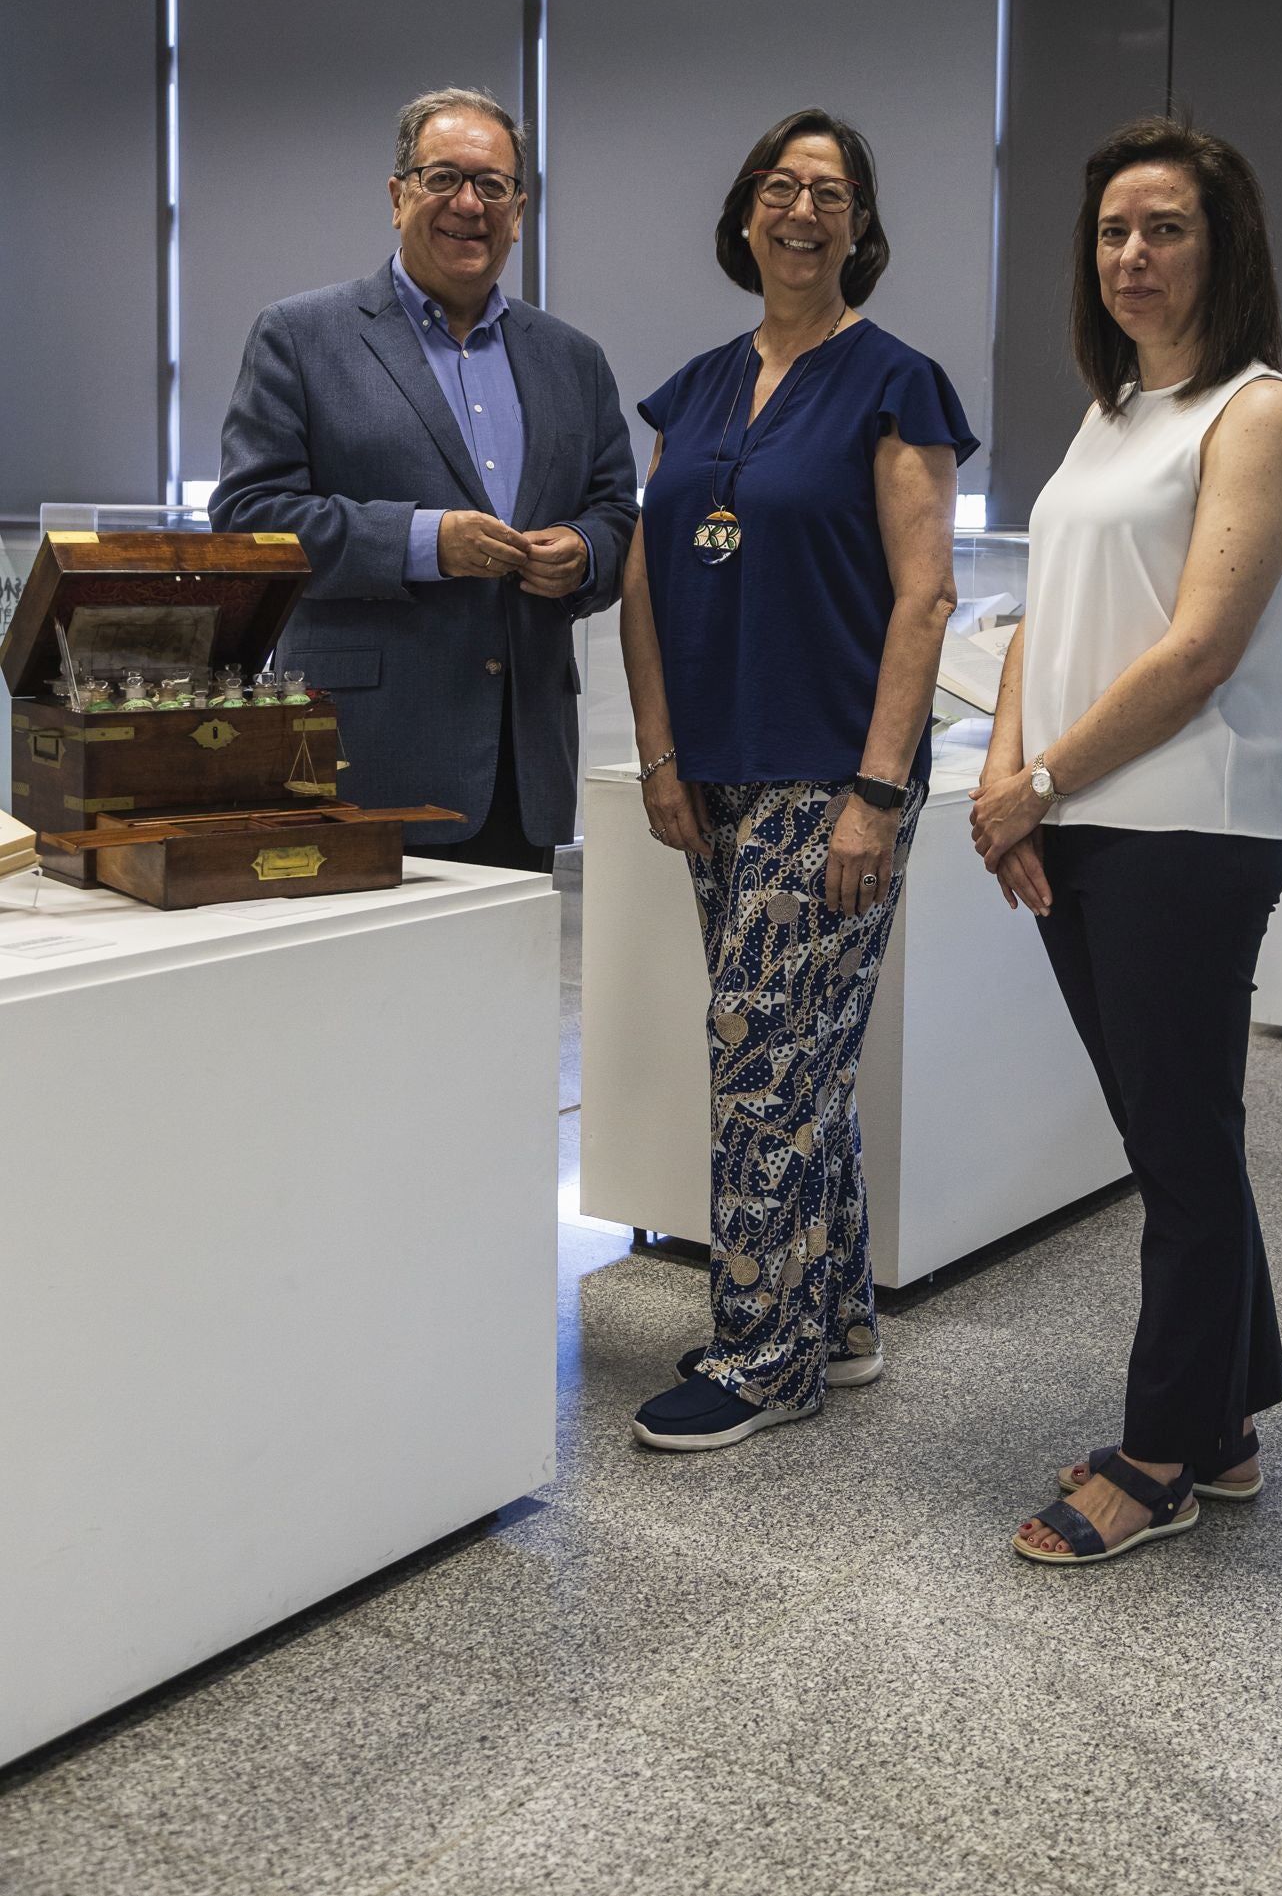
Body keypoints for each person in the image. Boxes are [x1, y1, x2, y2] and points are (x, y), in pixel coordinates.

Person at [968, 116, 1282, 1567]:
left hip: (1183, 829)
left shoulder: (1257, 410)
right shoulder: (1110, 413)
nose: (1133, 254)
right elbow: (1045, 605)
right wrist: (1005, 781)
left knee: (1175, 1153)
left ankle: (1160, 1451)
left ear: (1218, 248)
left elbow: (1197, 652)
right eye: (1113, 230)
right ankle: (1228, 1418)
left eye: (1164, 227)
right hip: (1079, 822)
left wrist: (1037, 781)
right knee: (1178, 1140)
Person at [621, 108, 978, 1451]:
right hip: (714, 770)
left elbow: (925, 598)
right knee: (793, 1053)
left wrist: (876, 791)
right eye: (781, 185)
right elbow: (648, 577)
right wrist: (661, 752)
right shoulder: (695, 387)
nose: (803, 210)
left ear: (859, 226)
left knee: (760, 1056)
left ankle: (761, 1352)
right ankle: (833, 1318)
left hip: (831, 772)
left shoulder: (897, 383)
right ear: (746, 213)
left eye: (831, 191)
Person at [212, 86, 636, 869]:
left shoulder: (573, 358)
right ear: (397, 193)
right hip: (362, 761)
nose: (467, 203)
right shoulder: (301, 337)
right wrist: (422, 541)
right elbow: (247, 519)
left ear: (519, 208)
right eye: (442, 178)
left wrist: (582, 551)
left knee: (508, 993)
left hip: (521, 761)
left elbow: (616, 510)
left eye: (493, 185)